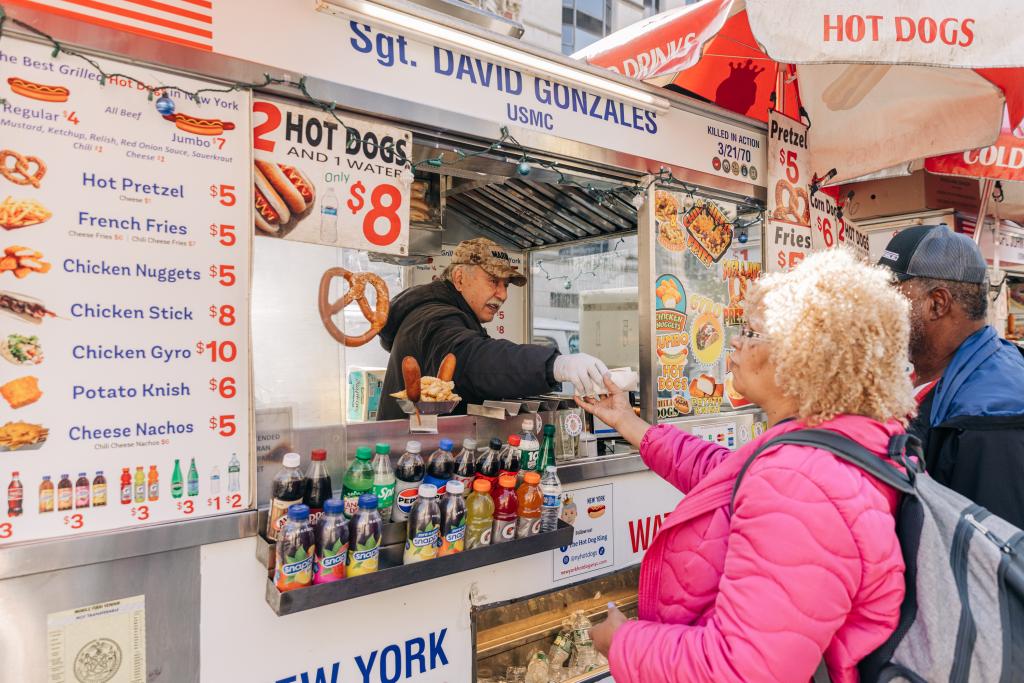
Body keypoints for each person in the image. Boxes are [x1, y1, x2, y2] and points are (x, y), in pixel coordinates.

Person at [576, 250, 914, 682]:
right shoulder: (827, 445)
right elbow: (722, 473)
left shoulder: (800, 482)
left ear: (801, 360)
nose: (736, 341)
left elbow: (744, 669)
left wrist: (621, 642)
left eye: (753, 333)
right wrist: (626, 420)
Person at [879, 224, 1024, 527]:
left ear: (937, 303)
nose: (880, 310)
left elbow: (987, 557)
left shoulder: (989, 415)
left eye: (890, 295)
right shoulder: (950, 374)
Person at [377, 238, 607, 420]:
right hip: (410, 463)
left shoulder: (447, 313)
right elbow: (475, 359)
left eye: (505, 285)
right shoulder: (434, 318)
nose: (503, 294)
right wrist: (554, 365)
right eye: (493, 281)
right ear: (459, 279)